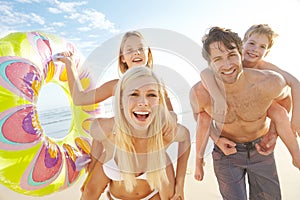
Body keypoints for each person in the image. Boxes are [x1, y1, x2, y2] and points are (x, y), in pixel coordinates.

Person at [190, 26, 290, 199]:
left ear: (240, 53)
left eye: (231, 55)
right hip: (226, 155)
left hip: (261, 151)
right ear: (210, 63)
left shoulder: (265, 81)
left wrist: (274, 133)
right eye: (218, 59)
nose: (227, 65)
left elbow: (285, 98)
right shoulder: (201, 92)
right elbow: (201, 119)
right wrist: (216, 140)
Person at [80, 66, 190, 200]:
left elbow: (185, 138)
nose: (143, 102)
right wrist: (91, 172)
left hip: (153, 194)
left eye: (151, 95)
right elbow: (98, 139)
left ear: (159, 101)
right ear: (121, 101)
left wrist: (180, 184)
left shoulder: (164, 131)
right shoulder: (104, 128)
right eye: (134, 94)